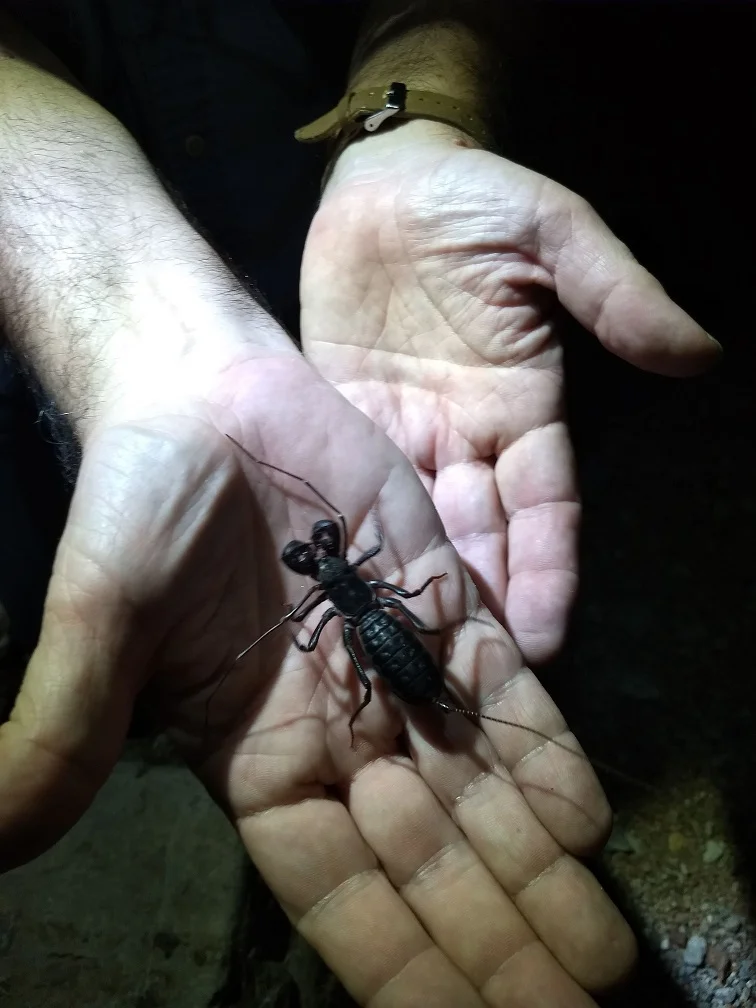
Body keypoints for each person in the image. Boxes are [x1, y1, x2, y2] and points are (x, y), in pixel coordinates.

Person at [0, 3, 720, 1005]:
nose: (323, 559)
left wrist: (428, 89)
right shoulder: (349, 586)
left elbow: (332, 628)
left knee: (495, 608)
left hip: (392, 383)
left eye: (321, 558)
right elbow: (335, 624)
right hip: (357, 593)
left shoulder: (337, 597)